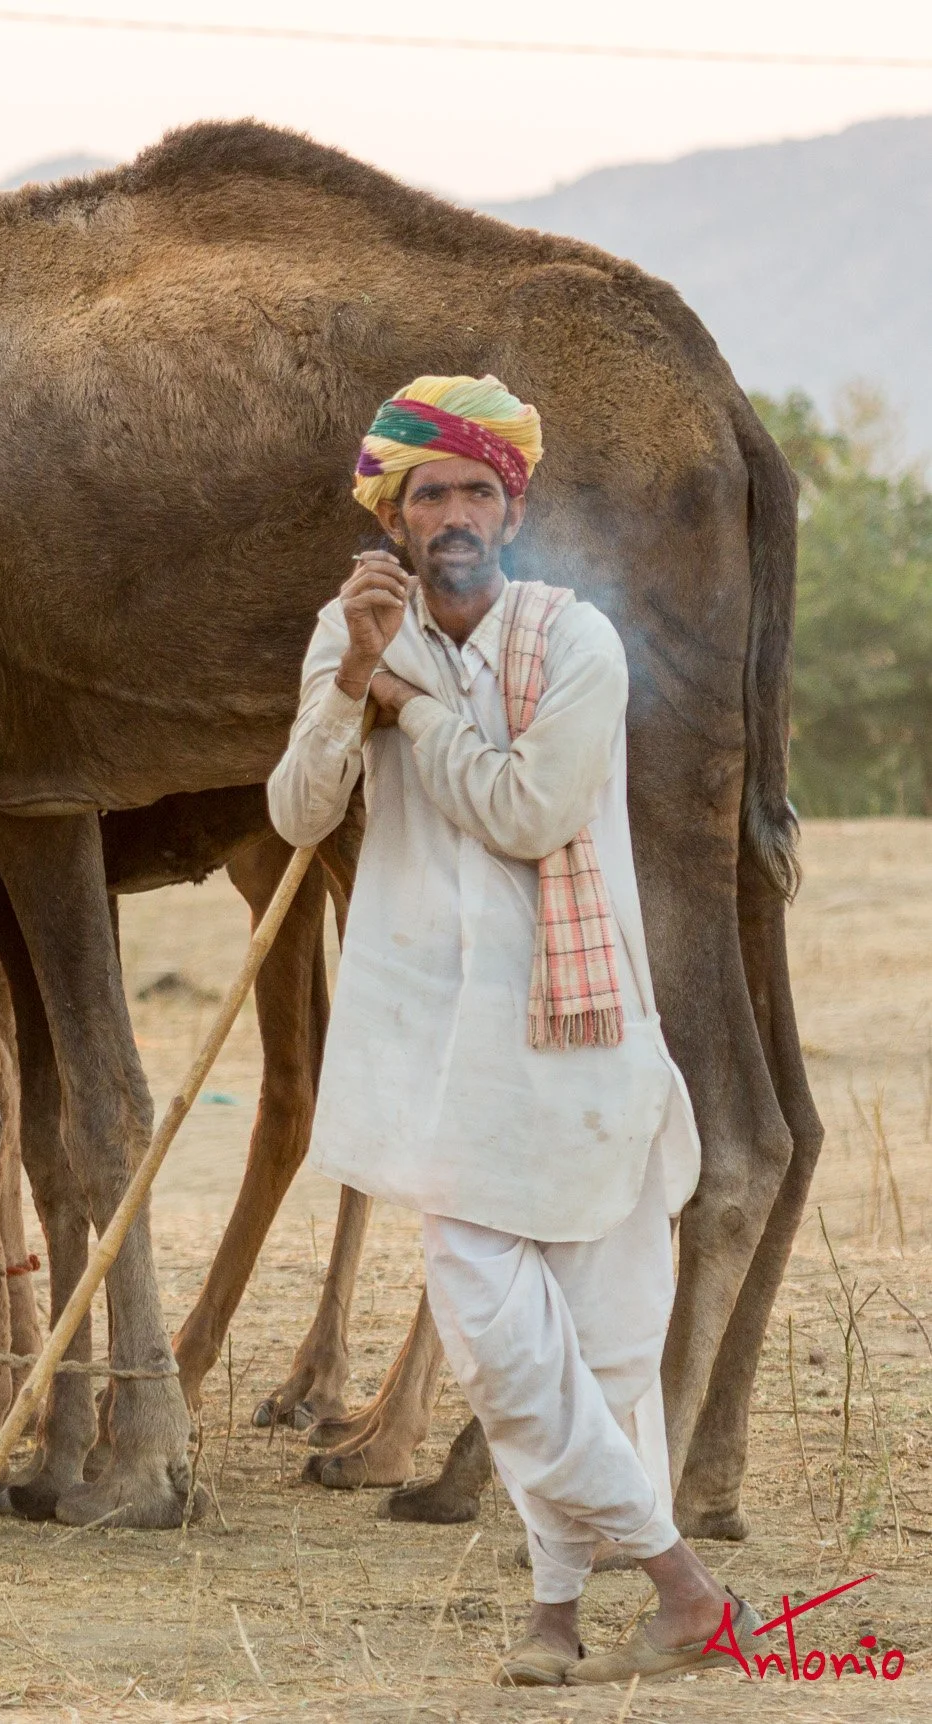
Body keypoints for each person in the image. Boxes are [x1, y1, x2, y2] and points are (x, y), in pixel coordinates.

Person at [268, 375, 757, 1686]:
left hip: (587, 1044)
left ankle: (557, 1619)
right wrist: (351, 684)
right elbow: (301, 813)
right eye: (431, 492)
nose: (458, 513)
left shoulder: (578, 643)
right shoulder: (357, 630)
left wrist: (412, 710)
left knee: (604, 1355)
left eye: (479, 489)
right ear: (395, 513)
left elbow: (530, 812)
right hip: (447, 1064)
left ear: (513, 505)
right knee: (500, 1348)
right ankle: (683, 1586)